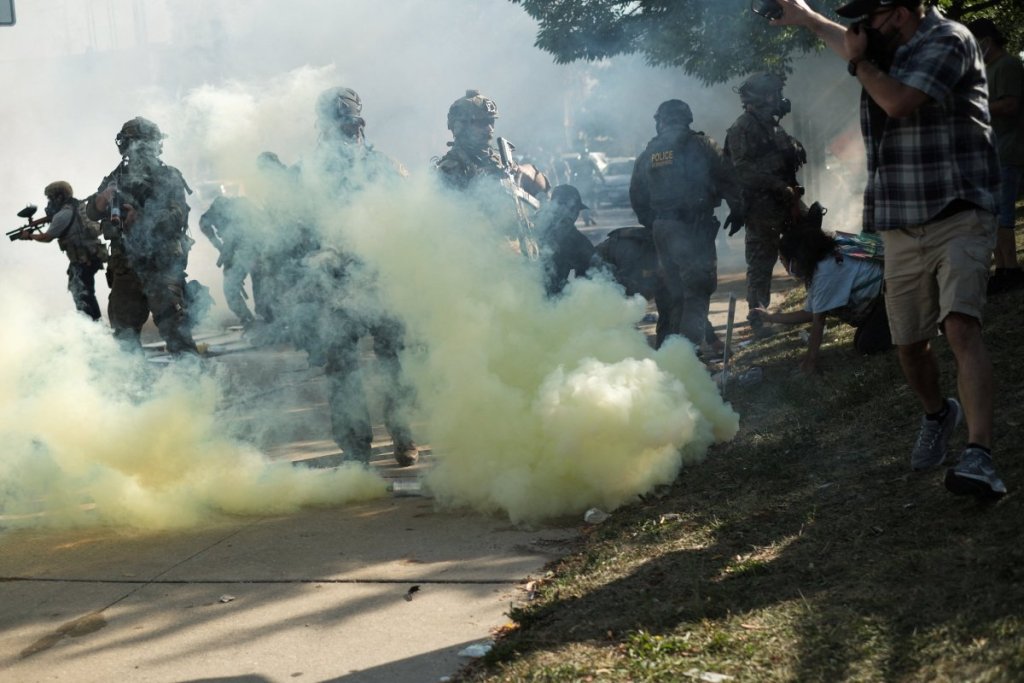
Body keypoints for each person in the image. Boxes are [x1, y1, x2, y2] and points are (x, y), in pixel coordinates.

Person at [773, 0, 1006, 500]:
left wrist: (860, 61)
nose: (861, 28)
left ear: (899, 12)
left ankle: (979, 457)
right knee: (909, 345)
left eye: (869, 18)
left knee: (960, 326)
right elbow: (849, 44)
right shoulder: (885, 51)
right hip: (900, 224)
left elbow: (898, 101)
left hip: (959, 211)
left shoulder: (948, 40)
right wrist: (806, 18)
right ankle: (938, 414)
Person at [300, 86, 419, 468]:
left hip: (380, 276)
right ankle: (356, 451)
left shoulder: (384, 167)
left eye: (350, 124)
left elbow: (411, 220)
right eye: (338, 125)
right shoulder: (309, 174)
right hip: (334, 282)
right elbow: (297, 231)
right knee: (342, 368)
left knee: (394, 362)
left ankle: (402, 434)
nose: (347, 132)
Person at [629, 99, 744, 353]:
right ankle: (687, 357)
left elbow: (637, 196)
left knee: (671, 295)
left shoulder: (649, 153)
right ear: (687, 119)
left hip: (662, 229)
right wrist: (738, 209)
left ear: (661, 121)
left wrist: (656, 223)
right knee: (697, 292)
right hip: (693, 229)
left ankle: (666, 354)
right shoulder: (702, 144)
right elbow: (728, 176)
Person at [86, 116, 199, 355]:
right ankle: (134, 378)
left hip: (160, 264)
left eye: (134, 142)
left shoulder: (168, 176)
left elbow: (178, 215)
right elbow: (92, 212)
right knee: (124, 334)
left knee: (174, 329)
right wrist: (101, 200)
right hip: (125, 266)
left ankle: (193, 376)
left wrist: (142, 219)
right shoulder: (116, 177)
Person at [751, 204, 891, 374]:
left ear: (796, 259)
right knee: (863, 341)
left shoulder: (826, 271)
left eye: (783, 260)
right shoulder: (821, 263)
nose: (784, 266)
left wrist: (809, 362)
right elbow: (810, 312)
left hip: (891, 298)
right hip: (883, 301)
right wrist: (771, 317)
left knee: (867, 345)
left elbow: (818, 321)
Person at [725, 72, 807, 338]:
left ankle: (820, 303)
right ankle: (759, 319)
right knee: (761, 263)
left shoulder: (772, 125)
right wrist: (776, 185)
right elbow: (742, 170)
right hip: (762, 208)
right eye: (773, 95)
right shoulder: (742, 128)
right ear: (759, 98)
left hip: (787, 201)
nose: (778, 99)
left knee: (812, 242)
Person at [434, 89, 548, 258]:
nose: (489, 128)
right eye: (481, 123)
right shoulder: (451, 170)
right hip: (481, 259)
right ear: (460, 126)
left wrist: (525, 174)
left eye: (491, 121)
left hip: (518, 254)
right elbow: (448, 227)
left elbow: (541, 188)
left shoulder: (501, 161)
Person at [967, 18, 1024, 294]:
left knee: (1002, 214)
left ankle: (1010, 269)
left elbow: (1011, 105)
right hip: (992, 151)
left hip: (1008, 148)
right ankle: (1002, 268)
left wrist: (975, 107)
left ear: (987, 40)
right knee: (993, 214)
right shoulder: (987, 69)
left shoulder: (1008, 65)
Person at [17, 181, 107, 320]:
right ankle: (94, 324)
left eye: (51, 198)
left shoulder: (63, 214)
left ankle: (93, 325)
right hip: (92, 255)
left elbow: (46, 237)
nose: (49, 202)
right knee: (84, 292)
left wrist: (29, 236)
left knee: (82, 294)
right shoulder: (79, 207)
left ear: (59, 197)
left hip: (83, 259)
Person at [198, 195, 267, 328]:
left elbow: (204, 223)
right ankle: (255, 319)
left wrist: (220, 245)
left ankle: (256, 318)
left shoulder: (237, 206)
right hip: (243, 250)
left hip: (249, 249)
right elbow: (203, 223)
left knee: (242, 287)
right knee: (247, 286)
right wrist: (219, 245)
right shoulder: (228, 207)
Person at [535, 184, 601, 295]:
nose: (574, 214)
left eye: (576, 210)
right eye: (573, 209)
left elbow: (593, 275)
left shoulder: (579, 242)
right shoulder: (533, 229)